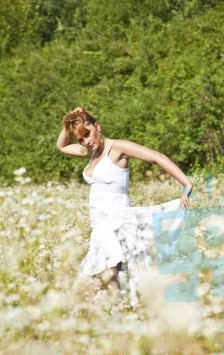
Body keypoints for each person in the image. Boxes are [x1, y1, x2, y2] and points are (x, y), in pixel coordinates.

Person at [56, 107, 193, 305]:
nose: (86, 141)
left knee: (99, 275)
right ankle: (120, 315)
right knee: (110, 277)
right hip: (99, 223)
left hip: (116, 220)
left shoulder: (118, 147)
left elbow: (157, 157)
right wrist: (69, 120)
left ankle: (102, 315)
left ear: (98, 127)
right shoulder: (91, 152)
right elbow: (61, 146)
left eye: (87, 134)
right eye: (81, 139)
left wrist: (187, 185)